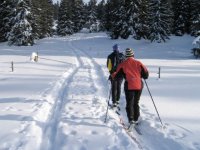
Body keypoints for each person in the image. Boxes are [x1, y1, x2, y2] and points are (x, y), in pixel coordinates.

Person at [111, 48, 149, 125]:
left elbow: (117, 77)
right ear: (133, 54)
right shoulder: (139, 63)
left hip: (129, 85)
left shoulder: (123, 64)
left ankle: (131, 119)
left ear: (125, 55)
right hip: (139, 84)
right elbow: (146, 75)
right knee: (136, 102)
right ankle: (136, 118)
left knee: (129, 102)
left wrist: (113, 73)